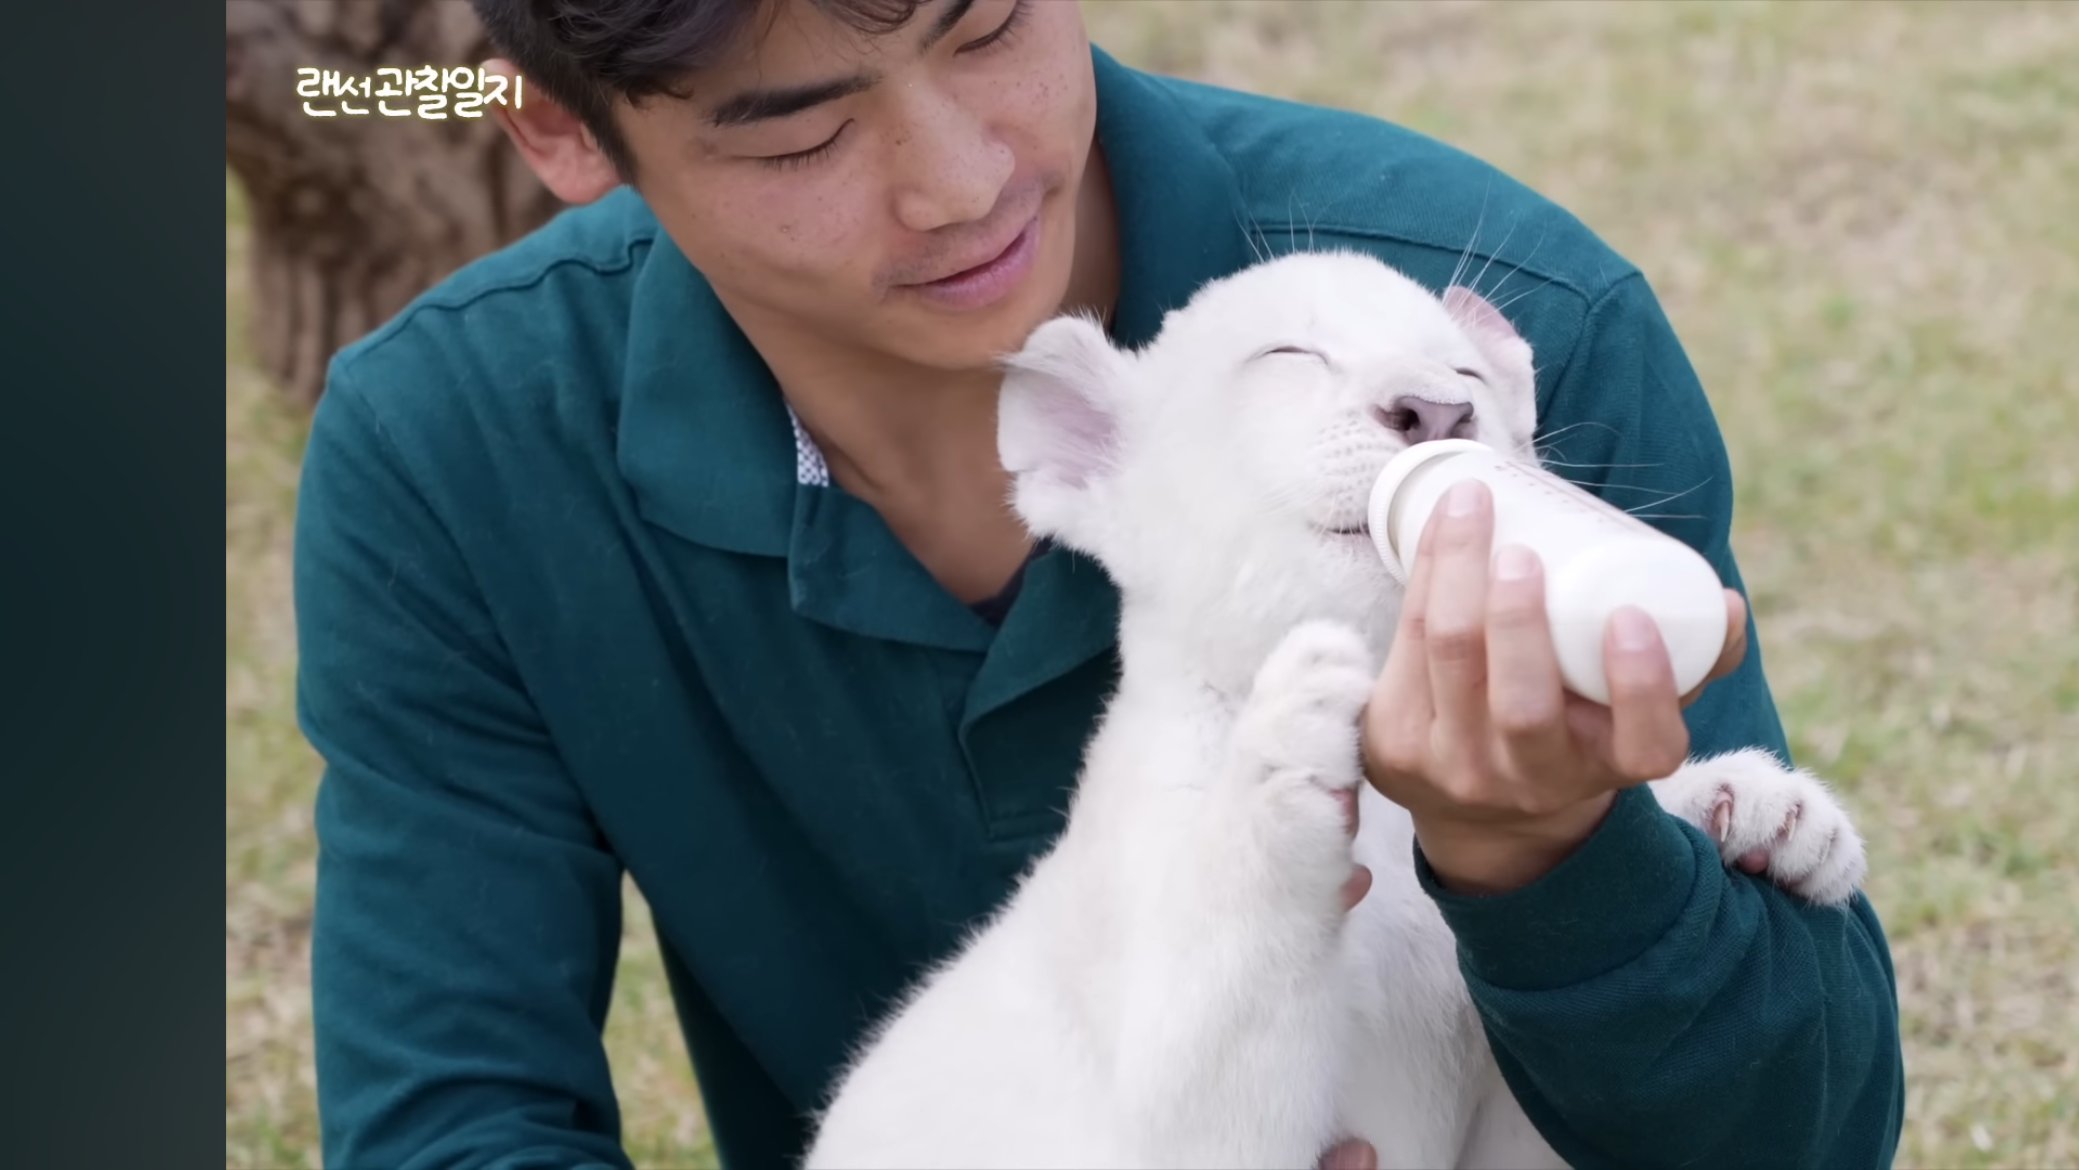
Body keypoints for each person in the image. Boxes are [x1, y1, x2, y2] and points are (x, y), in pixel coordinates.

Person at [294, 1, 1906, 1167]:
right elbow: (454, 1124)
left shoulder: (1469, 337)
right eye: (801, 124)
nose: (959, 179)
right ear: (561, 127)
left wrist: (1542, 852)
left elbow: (1811, 1134)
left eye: (986, 24)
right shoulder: (456, 454)